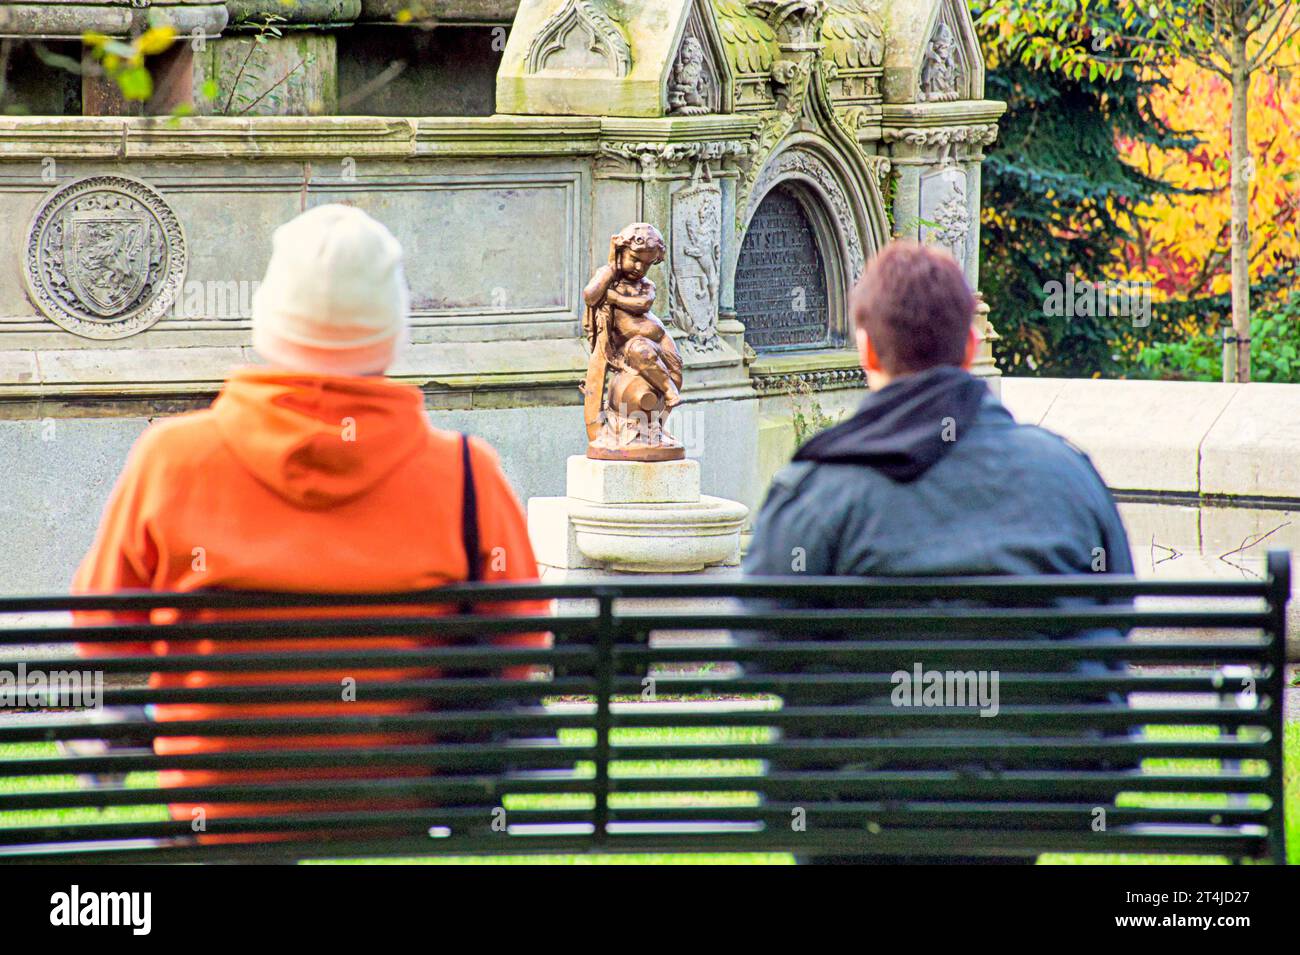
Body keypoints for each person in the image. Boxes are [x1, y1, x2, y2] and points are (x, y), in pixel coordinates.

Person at [72, 203, 549, 839]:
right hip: (397, 816)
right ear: (392, 330)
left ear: (270, 320)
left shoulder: (173, 460)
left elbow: (103, 631)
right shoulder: (465, 475)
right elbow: (517, 649)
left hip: (218, 816)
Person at [744, 241, 1132, 579]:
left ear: (867, 351)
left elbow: (765, 649)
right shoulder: (1068, 476)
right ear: (969, 347)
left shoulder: (811, 496)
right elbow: (1114, 616)